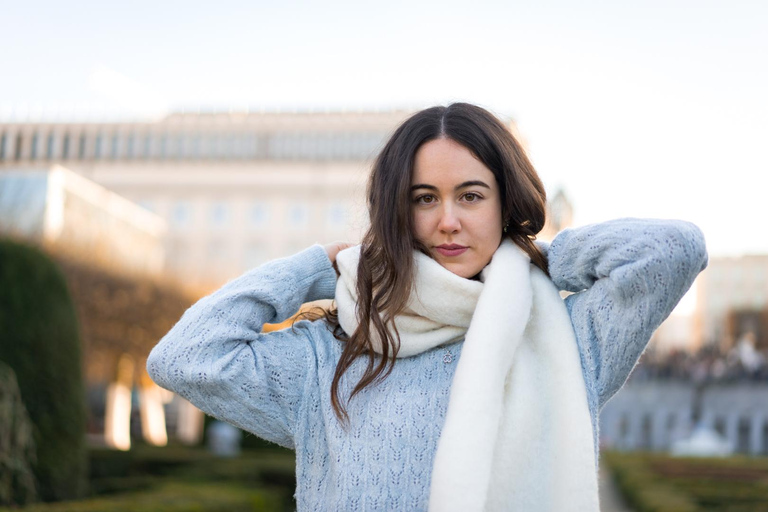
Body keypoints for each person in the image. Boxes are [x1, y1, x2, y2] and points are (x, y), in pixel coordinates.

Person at [147, 103, 708, 511]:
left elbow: (673, 250)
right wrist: (320, 264)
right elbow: (185, 357)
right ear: (398, 210)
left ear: (503, 202)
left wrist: (535, 259)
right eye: (424, 199)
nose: (448, 220)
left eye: (471, 195)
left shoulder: (566, 336)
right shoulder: (331, 354)